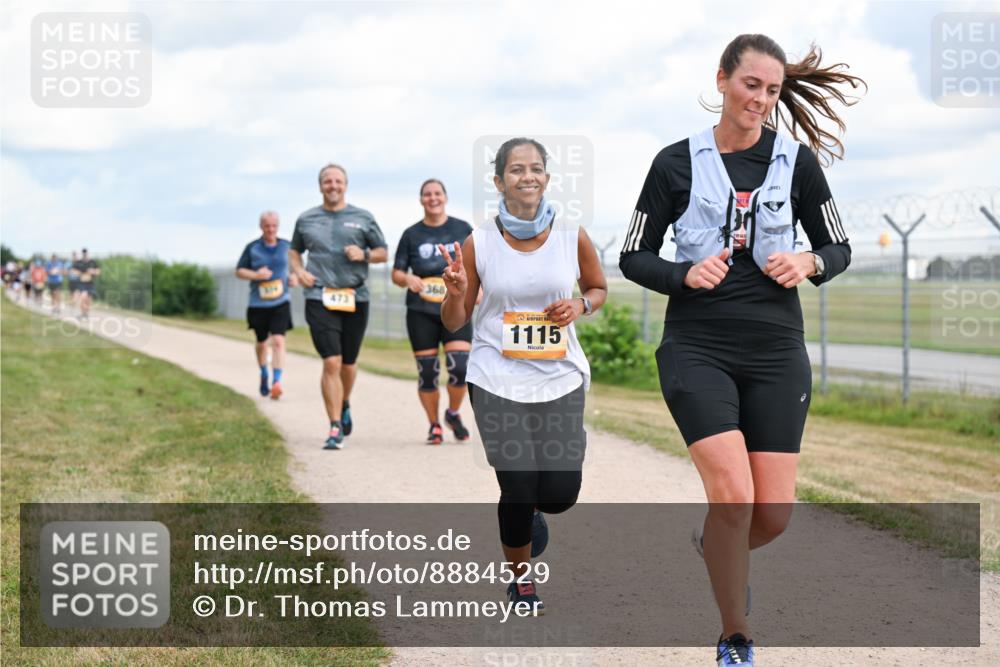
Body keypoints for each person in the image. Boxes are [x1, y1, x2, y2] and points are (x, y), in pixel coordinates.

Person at [619, 34, 862, 666]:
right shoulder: (674, 163)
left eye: (772, 90)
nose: (760, 99)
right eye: (751, 84)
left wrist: (810, 259)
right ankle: (735, 637)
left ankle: (716, 548)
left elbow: (839, 247)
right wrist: (681, 275)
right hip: (696, 346)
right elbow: (632, 255)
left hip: (777, 350)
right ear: (723, 79)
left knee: (772, 516)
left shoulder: (797, 163)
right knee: (734, 496)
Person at [440, 137, 607, 614]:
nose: (527, 176)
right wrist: (454, 292)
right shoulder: (480, 241)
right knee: (516, 485)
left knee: (557, 495)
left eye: (535, 168)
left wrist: (581, 304)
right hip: (497, 375)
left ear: (547, 179)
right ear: (499, 181)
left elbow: (597, 287)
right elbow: (455, 321)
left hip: (558, 376)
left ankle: (538, 505)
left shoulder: (571, 234)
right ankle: (522, 580)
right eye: (516, 170)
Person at [289, 163, 388, 450]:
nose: (333, 186)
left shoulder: (363, 217)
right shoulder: (306, 218)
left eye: (338, 181)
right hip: (319, 296)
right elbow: (294, 251)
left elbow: (383, 252)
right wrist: (297, 270)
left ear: (346, 185)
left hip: (355, 297)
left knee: (348, 363)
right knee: (331, 361)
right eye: (327, 181)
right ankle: (334, 427)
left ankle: (344, 401)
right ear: (320, 186)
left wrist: (365, 254)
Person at [392, 179, 474, 445]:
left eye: (437, 193)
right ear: (421, 200)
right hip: (420, 309)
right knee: (428, 371)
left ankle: (452, 412)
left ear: (445, 197)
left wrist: (478, 290)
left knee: (459, 367)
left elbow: (477, 266)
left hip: (457, 306)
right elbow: (396, 272)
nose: (433, 198)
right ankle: (434, 425)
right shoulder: (411, 234)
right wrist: (407, 280)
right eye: (427, 194)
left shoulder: (462, 229)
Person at [236, 211, 297, 400]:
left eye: (274, 226)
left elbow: (297, 268)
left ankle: (276, 381)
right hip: (258, 303)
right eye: (267, 226)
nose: (271, 229)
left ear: (278, 227)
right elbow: (239, 271)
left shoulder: (287, 246)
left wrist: (294, 277)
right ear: (261, 227)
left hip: (281, 302)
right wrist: (256, 275)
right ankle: (264, 373)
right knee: (262, 343)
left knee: (279, 341)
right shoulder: (252, 248)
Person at [74, 248, 101, 319]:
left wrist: (93, 271)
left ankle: (86, 313)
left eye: (86, 253)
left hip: (90, 283)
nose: (85, 255)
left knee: (89, 299)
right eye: (83, 253)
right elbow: (73, 270)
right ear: (82, 254)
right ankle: (82, 313)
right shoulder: (78, 262)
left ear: (87, 254)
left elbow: (98, 271)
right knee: (83, 297)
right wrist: (79, 273)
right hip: (82, 283)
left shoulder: (92, 262)